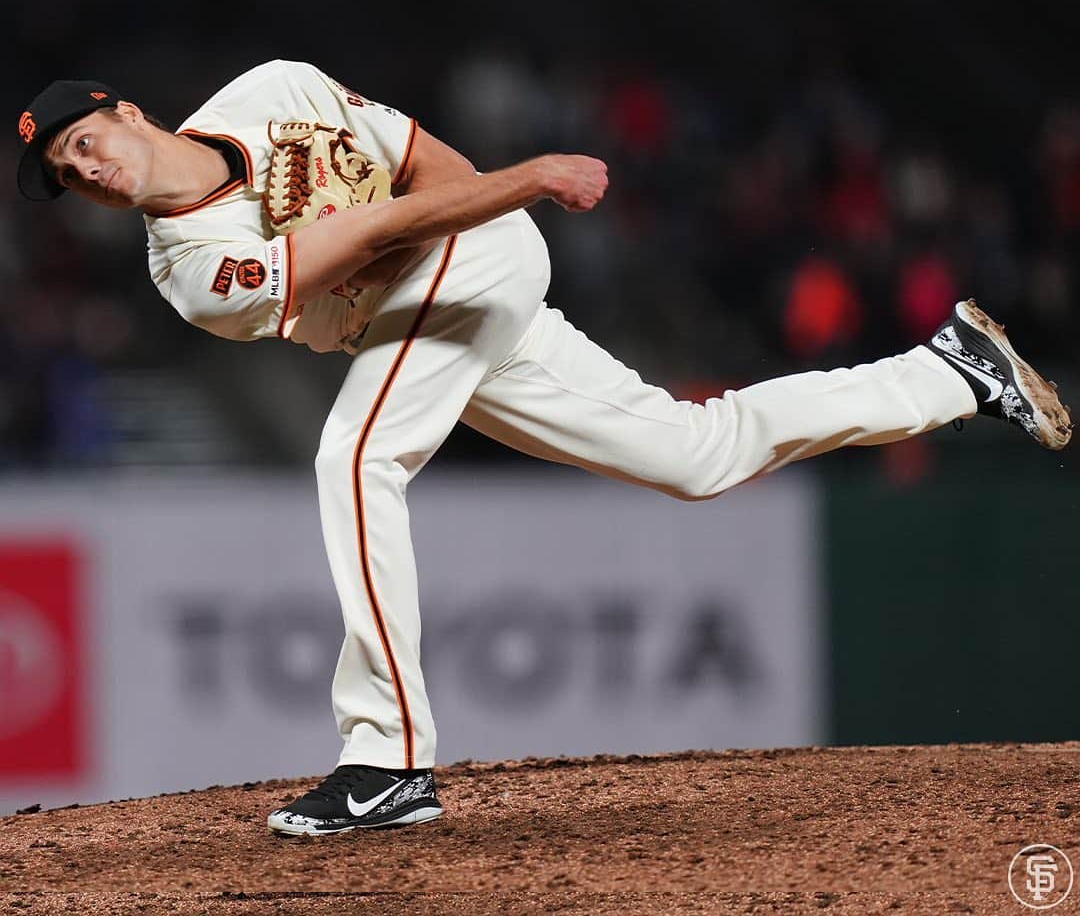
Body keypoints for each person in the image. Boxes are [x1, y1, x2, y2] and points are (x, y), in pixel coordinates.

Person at [15, 60, 1072, 836]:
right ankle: (949, 372)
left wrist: (498, 207)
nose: (88, 168)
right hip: (427, 299)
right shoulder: (192, 269)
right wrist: (523, 184)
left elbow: (425, 159)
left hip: (469, 263)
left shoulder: (273, 88)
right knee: (694, 457)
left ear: (128, 108)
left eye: (84, 140)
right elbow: (364, 237)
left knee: (353, 459)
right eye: (67, 172)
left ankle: (386, 757)